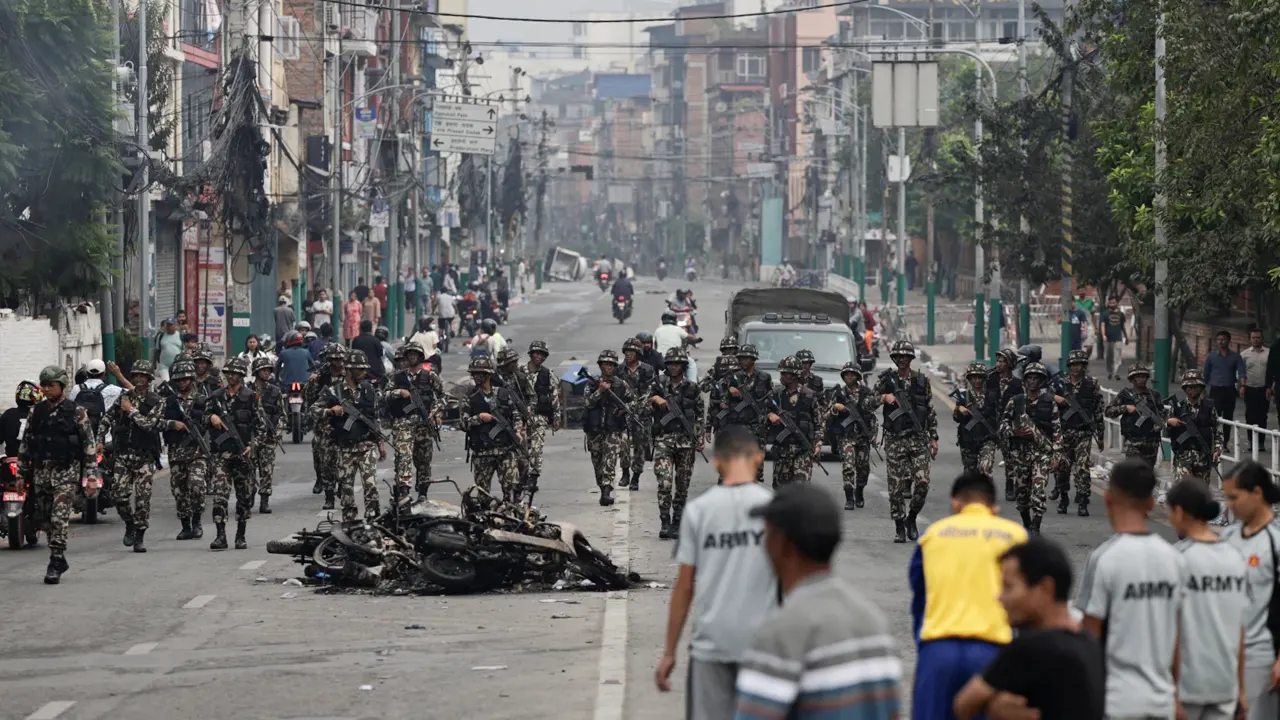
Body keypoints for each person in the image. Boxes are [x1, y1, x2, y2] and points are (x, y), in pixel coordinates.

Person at [734, 484, 902, 720]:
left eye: (767, 534)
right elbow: (892, 713)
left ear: (782, 544)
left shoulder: (778, 633)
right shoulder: (874, 623)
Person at [655, 426, 777, 718]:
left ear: (716, 462)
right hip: (765, 646)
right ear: (759, 458)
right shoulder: (776, 510)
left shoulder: (699, 511)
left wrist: (670, 651)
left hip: (711, 645)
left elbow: (684, 586)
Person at [910, 471, 1028, 720]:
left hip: (938, 652)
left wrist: (926, 650)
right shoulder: (1016, 536)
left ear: (955, 504)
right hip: (993, 655)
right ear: (994, 508)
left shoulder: (932, 535)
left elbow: (920, 600)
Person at [1075, 457, 1184, 719]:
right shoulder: (1175, 559)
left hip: (1117, 701)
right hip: (1162, 701)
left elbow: (1089, 638)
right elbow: (1179, 638)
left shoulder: (1104, 558)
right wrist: (1177, 697)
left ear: (1108, 497)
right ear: (1151, 503)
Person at [953, 537, 1105, 720]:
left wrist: (995, 709)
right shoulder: (1090, 645)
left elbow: (964, 705)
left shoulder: (1030, 649)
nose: (999, 597)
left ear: (1045, 588)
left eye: (1008, 587)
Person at [1166, 479, 1250, 720]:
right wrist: (1241, 690)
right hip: (1225, 685)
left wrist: (1171, 692)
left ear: (1179, 512)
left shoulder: (1176, 559)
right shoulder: (1235, 558)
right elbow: (1240, 630)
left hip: (1187, 687)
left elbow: (1170, 631)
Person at [20, 366, 98, 584]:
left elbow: (89, 445)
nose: (46, 389)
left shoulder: (77, 412)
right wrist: (21, 474)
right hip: (41, 474)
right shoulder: (36, 412)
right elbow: (26, 444)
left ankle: (55, 560)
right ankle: (58, 556)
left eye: (51, 385)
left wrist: (91, 476)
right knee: (44, 518)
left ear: (61, 386)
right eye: (43, 385)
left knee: (59, 516)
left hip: (66, 473)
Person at [1220, 460, 1280, 719]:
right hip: (1223, 655)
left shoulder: (1275, 541)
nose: (1229, 505)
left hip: (1260, 658)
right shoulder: (1226, 538)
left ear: (1257, 493)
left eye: (1234, 497)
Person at [97, 360, 166, 553]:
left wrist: (131, 410)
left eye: (143, 376)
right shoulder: (123, 397)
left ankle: (140, 536)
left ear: (149, 378)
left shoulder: (157, 401)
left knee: (143, 500)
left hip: (144, 457)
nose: (139, 379)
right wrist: (99, 439)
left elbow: (148, 425)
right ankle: (129, 523)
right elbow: (106, 419)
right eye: (136, 375)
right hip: (123, 455)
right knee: (119, 496)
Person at [875, 340, 939, 543]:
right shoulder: (886, 381)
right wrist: (884, 398)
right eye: (898, 356)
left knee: (923, 483)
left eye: (905, 356)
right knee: (896, 487)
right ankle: (899, 526)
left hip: (917, 439)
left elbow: (930, 411)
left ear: (911, 358)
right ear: (894, 358)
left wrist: (933, 437)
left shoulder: (921, 381)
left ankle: (911, 518)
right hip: (895, 440)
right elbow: (866, 403)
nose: (902, 359)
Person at [312, 349, 385, 520]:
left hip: (367, 445)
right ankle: (349, 521)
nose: (363, 372)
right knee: (346, 488)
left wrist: (380, 443)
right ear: (349, 370)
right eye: (360, 369)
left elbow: (376, 418)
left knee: (371, 485)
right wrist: (330, 410)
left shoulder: (369, 390)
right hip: (345, 448)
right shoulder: (334, 391)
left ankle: (373, 519)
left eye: (364, 369)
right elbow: (313, 410)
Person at [649, 347, 705, 539]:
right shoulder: (658, 385)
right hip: (664, 440)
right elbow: (640, 407)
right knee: (664, 482)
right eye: (671, 363)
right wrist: (654, 399)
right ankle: (665, 521)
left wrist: (699, 437)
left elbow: (700, 415)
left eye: (677, 364)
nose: (674, 367)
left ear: (683, 366)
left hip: (686, 442)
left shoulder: (693, 388)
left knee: (682, 486)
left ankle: (677, 522)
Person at [204, 358, 260, 550]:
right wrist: (211, 417)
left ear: (241, 375)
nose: (231, 376)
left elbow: (260, 426)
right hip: (221, 454)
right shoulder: (216, 396)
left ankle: (240, 535)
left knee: (244, 496)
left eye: (235, 373)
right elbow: (202, 418)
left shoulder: (250, 397)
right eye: (228, 373)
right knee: (220, 495)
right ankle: (220, 535)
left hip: (242, 454)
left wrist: (252, 446)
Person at [999, 362, 1060, 535]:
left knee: (1039, 491)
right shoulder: (1016, 401)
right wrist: (1014, 432)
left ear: (1042, 381)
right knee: (1022, 495)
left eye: (1036, 378)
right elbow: (1003, 425)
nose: (1033, 381)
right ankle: (1026, 522)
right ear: (1025, 381)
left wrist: (1056, 455)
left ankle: (1036, 526)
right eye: (1030, 378)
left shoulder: (1049, 402)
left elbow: (1057, 429)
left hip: (1042, 453)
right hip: (1021, 453)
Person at [458, 356, 525, 503]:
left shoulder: (503, 394)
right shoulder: (470, 397)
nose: (476, 376)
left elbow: (516, 415)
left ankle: (510, 514)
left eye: (480, 373)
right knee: (483, 496)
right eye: (474, 373)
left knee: (511, 490)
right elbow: (463, 424)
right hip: (482, 453)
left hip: (505, 450)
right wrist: (479, 418)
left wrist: (518, 431)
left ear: (488, 375)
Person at [383, 341, 443, 501]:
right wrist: (399, 392)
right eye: (409, 354)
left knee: (423, 459)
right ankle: (404, 491)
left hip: (424, 424)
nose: (412, 357)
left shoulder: (430, 376)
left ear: (421, 356)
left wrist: (435, 412)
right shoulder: (397, 377)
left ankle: (423, 492)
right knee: (403, 456)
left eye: (415, 354)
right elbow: (383, 395)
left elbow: (443, 397)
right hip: (403, 423)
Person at [159, 359, 209, 541]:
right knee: (179, 491)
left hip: (197, 453)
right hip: (176, 452)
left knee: (197, 486)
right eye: (178, 380)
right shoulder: (168, 401)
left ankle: (197, 522)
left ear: (192, 379)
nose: (182, 382)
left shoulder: (201, 399)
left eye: (185, 379)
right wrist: (173, 424)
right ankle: (186, 526)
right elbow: (155, 421)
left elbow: (210, 419)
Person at [1051, 349, 1105, 517]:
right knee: (1062, 468)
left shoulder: (1092, 384)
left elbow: (1098, 411)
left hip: (1083, 433)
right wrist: (1055, 398)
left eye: (1079, 364)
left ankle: (1083, 500)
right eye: (1073, 364)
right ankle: (1064, 498)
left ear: (1084, 366)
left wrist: (1101, 436)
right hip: (1063, 433)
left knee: (1082, 468)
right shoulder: (1060, 384)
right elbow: (1042, 398)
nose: (1076, 368)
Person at [583, 350, 633, 507]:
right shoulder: (592, 384)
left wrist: (624, 409)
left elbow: (633, 402)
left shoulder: (621, 385)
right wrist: (600, 391)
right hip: (595, 430)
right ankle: (602, 487)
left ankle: (606, 491)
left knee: (609, 460)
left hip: (613, 429)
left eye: (611, 364)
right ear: (600, 366)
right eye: (605, 364)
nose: (608, 367)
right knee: (597, 463)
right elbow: (587, 403)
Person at [766, 356, 823, 487]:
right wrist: (770, 415)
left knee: (801, 490)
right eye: (782, 373)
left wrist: (818, 444)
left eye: (786, 373)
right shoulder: (776, 394)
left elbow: (819, 423)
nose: (782, 376)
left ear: (795, 375)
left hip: (802, 450)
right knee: (781, 490)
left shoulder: (809, 395)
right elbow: (761, 415)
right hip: (782, 451)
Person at [1105, 362, 1167, 469]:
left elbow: (1163, 413)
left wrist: (1160, 423)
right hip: (1133, 443)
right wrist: (1125, 408)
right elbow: (1108, 411)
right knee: (1133, 473)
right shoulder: (1125, 394)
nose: (1141, 379)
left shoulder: (1154, 395)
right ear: (1132, 379)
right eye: (1138, 377)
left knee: (1147, 474)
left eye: (1144, 376)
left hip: (1151, 443)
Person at [306, 344, 346, 508]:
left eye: (340, 359)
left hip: (344, 424)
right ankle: (329, 495)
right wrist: (312, 383)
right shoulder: (322, 377)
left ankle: (343, 486)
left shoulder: (349, 375)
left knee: (344, 460)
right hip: (324, 423)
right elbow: (310, 399)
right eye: (334, 359)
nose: (338, 362)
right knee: (325, 461)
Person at [987, 348, 1023, 502]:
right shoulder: (990, 380)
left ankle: (1010, 487)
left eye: (1002, 362)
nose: (999, 364)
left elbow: (1020, 407)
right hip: (990, 424)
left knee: (1010, 459)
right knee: (986, 459)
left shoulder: (1017, 384)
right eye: (998, 361)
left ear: (1009, 364)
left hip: (1008, 425)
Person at [248, 356, 283, 514]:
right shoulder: (247, 391)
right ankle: (249, 494)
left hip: (269, 437)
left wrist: (278, 430)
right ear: (256, 372)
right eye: (263, 370)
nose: (267, 372)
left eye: (269, 370)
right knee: (249, 469)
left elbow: (282, 414)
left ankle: (264, 499)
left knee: (267, 470)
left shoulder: (275, 391)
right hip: (251, 437)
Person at [618, 338, 654, 490]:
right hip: (623, 414)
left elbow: (649, 393)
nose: (628, 354)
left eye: (631, 351)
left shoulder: (647, 370)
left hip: (641, 414)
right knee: (623, 443)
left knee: (640, 448)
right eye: (626, 351)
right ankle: (625, 472)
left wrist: (635, 406)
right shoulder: (619, 370)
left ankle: (636, 477)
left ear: (638, 353)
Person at [954, 363, 999, 477]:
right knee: (970, 475)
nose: (977, 381)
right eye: (974, 377)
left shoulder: (992, 396)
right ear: (969, 378)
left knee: (985, 469)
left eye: (980, 377)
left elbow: (998, 416)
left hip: (987, 439)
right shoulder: (964, 396)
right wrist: (959, 409)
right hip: (968, 441)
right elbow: (956, 418)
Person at [1205, 330, 1246, 446]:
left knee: (1228, 418)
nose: (1220, 342)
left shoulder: (1235, 356)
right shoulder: (1211, 357)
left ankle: (1225, 443)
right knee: (1214, 417)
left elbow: (1242, 372)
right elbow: (1206, 374)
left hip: (1229, 390)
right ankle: (1215, 442)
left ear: (1228, 341)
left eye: (1223, 339)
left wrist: (1242, 385)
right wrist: (1203, 391)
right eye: (1218, 339)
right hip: (1215, 390)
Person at [68, 359, 126, 427]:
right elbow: (134, 391)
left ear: (87, 373)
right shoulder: (112, 390)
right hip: (102, 432)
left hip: (80, 431)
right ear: (104, 374)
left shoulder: (76, 389)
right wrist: (118, 375)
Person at [1242, 327, 1271, 450]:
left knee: (1262, 416)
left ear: (1262, 338)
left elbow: (1272, 371)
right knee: (1250, 416)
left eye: (1258, 337)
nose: (1256, 340)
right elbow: (1241, 372)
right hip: (1250, 389)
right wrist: (1241, 386)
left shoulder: (1269, 353)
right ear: (1250, 339)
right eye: (1253, 337)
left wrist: (1271, 387)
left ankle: (1261, 443)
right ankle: (1251, 441)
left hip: (1264, 389)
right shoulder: (1244, 354)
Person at [1099, 297, 1128, 379]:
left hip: (1118, 338)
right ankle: (1110, 372)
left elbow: (1123, 327)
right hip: (1108, 339)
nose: (1112, 304)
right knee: (1109, 357)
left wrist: (1126, 337)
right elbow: (1102, 325)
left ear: (1117, 303)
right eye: (1110, 303)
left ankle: (1116, 373)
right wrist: (1103, 335)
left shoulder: (1121, 314)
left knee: (1117, 357)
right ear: (1108, 304)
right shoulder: (1104, 314)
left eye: (1113, 303)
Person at [154, 316, 183, 381]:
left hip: (177, 365)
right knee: (166, 383)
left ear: (175, 326)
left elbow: (184, 349)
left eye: (171, 325)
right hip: (164, 366)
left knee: (176, 383)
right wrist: (155, 365)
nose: (169, 327)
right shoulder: (160, 336)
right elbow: (157, 350)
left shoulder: (180, 335)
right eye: (167, 325)